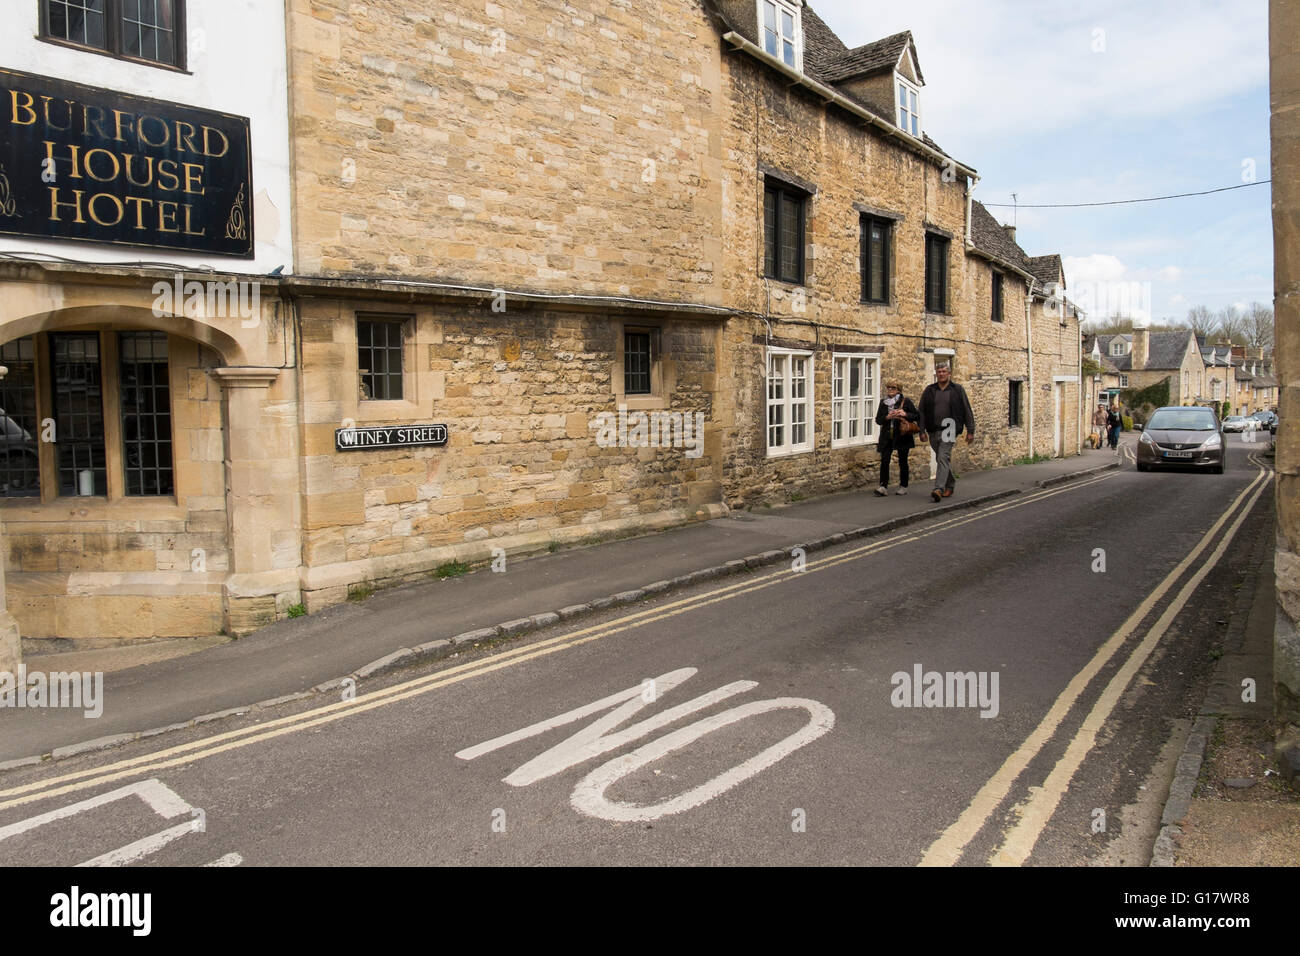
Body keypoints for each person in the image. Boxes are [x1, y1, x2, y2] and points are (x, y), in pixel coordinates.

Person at [918, 362, 975, 502]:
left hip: (950, 428)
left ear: (949, 373)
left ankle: (938, 488)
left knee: (943, 457)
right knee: (940, 458)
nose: (941, 374)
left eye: (944, 371)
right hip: (933, 430)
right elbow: (921, 412)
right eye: (939, 372)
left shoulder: (957, 390)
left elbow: (967, 410)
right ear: (936, 374)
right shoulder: (930, 390)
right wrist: (921, 430)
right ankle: (950, 484)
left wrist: (970, 430)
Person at [874, 381, 920, 496]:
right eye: (888, 387)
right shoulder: (883, 403)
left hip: (902, 435)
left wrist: (905, 414)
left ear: (898, 390)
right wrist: (887, 417)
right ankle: (883, 486)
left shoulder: (905, 401)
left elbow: (916, 415)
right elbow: (878, 420)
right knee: (885, 460)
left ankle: (903, 486)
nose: (890, 390)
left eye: (893, 388)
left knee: (903, 461)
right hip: (887, 436)